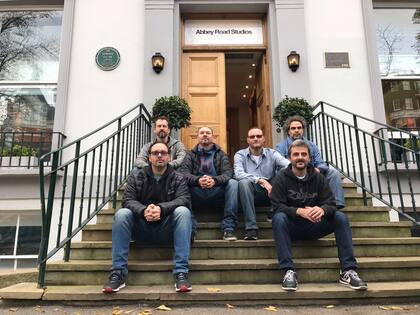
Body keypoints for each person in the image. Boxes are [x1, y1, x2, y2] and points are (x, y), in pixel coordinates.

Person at [270, 139, 367, 292]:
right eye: (296, 154)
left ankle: (348, 270)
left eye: (303, 154)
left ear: (309, 158)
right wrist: (298, 211)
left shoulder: (319, 178)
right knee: (278, 217)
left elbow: (331, 203)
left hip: (316, 225)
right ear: (290, 158)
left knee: (340, 217)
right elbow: (276, 206)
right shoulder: (281, 178)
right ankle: (288, 271)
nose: (300, 157)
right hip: (292, 228)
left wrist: (322, 210)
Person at [102, 142, 193, 293]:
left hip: (167, 229)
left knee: (183, 211)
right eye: (155, 152)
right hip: (141, 228)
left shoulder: (178, 177)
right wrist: (144, 210)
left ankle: (181, 272)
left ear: (169, 157)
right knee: (122, 213)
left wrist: (161, 209)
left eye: (163, 153)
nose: (159, 155)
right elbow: (128, 200)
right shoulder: (136, 176)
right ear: (149, 157)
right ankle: (118, 273)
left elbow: (183, 199)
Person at [179, 126, 239, 241]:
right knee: (182, 183)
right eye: (202, 133)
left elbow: (228, 173)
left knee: (233, 183)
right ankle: (191, 229)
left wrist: (214, 181)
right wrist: (198, 180)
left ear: (213, 136)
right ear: (197, 137)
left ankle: (228, 228)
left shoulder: (221, 154)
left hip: (217, 193)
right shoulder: (189, 155)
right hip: (196, 193)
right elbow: (183, 173)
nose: (205, 135)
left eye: (208, 133)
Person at [275, 115, 345, 209]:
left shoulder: (312, 145)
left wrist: (318, 169)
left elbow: (321, 163)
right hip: (292, 177)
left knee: (333, 173)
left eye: (299, 128)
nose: (296, 130)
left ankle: (336, 205)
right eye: (293, 128)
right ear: (288, 131)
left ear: (303, 130)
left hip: (313, 175)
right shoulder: (281, 146)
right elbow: (279, 166)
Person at [234, 127, 289, 240]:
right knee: (243, 182)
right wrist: (261, 180)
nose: (255, 139)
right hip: (250, 192)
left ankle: (274, 209)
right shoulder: (240, 155)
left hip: (271, 192)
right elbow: (238, 174)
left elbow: (288, 165)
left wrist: (277, 179)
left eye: (258, 136)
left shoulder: (272, 153)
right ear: (248, 140)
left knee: (284, 172)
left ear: (263, 139)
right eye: (252, 137)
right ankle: (251, 228)